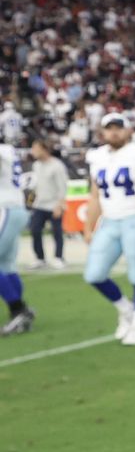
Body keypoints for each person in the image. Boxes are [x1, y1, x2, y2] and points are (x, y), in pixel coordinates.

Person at [83, 112, 135, 347]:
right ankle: (125, 308)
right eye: (109, 128)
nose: (114, 132)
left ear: (128, 130)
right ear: (103, 132)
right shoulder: (97, 157)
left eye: (119, 127)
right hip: (110, 220)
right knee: (94, 275)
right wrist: (89, 226)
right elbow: (95, 196)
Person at [0, 138, 31, 335]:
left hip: (6, 208)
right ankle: (22, 312)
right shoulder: (8, 149)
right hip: (17, 207)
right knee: (7, 265)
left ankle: (17, 310)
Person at [25, 138, 69, 271]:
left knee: (57, 232)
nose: (33, 151)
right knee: (35, 230)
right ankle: (40, 258)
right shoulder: (36, 165)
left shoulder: (57, 165)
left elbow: (63, 187)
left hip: (54, 204)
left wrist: (60, 205)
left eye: (36, 148)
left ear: (44, 149)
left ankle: (59, 258)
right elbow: (36, 186)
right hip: (39, 204)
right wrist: (31, 202)